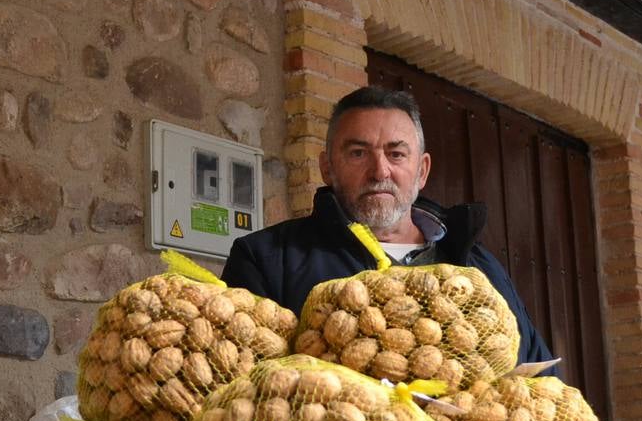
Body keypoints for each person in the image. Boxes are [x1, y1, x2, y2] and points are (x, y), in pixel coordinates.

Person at [222, 85, 553, 367]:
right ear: (327, 168)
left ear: (422, 171)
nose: (379, 171)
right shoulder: (265, 260)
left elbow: (538, 377)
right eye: (357, 153)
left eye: (396, 154)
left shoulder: (482, 267)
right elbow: (241, 386)